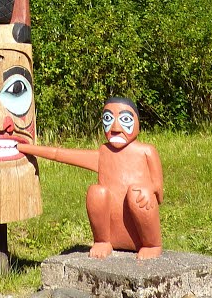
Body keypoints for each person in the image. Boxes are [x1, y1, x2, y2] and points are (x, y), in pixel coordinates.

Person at [17, 96, 163, 259]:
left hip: (140, 217)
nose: (115, 127)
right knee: (96, 192)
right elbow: (58, 154)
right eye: (108, 118)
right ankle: (102, 240)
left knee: (139, 193)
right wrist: (24, 147)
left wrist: (148, 189)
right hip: (112, 228)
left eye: (125, 119)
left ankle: (151, 244)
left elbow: (158, 188)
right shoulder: (104, 153)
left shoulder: (146, 151)